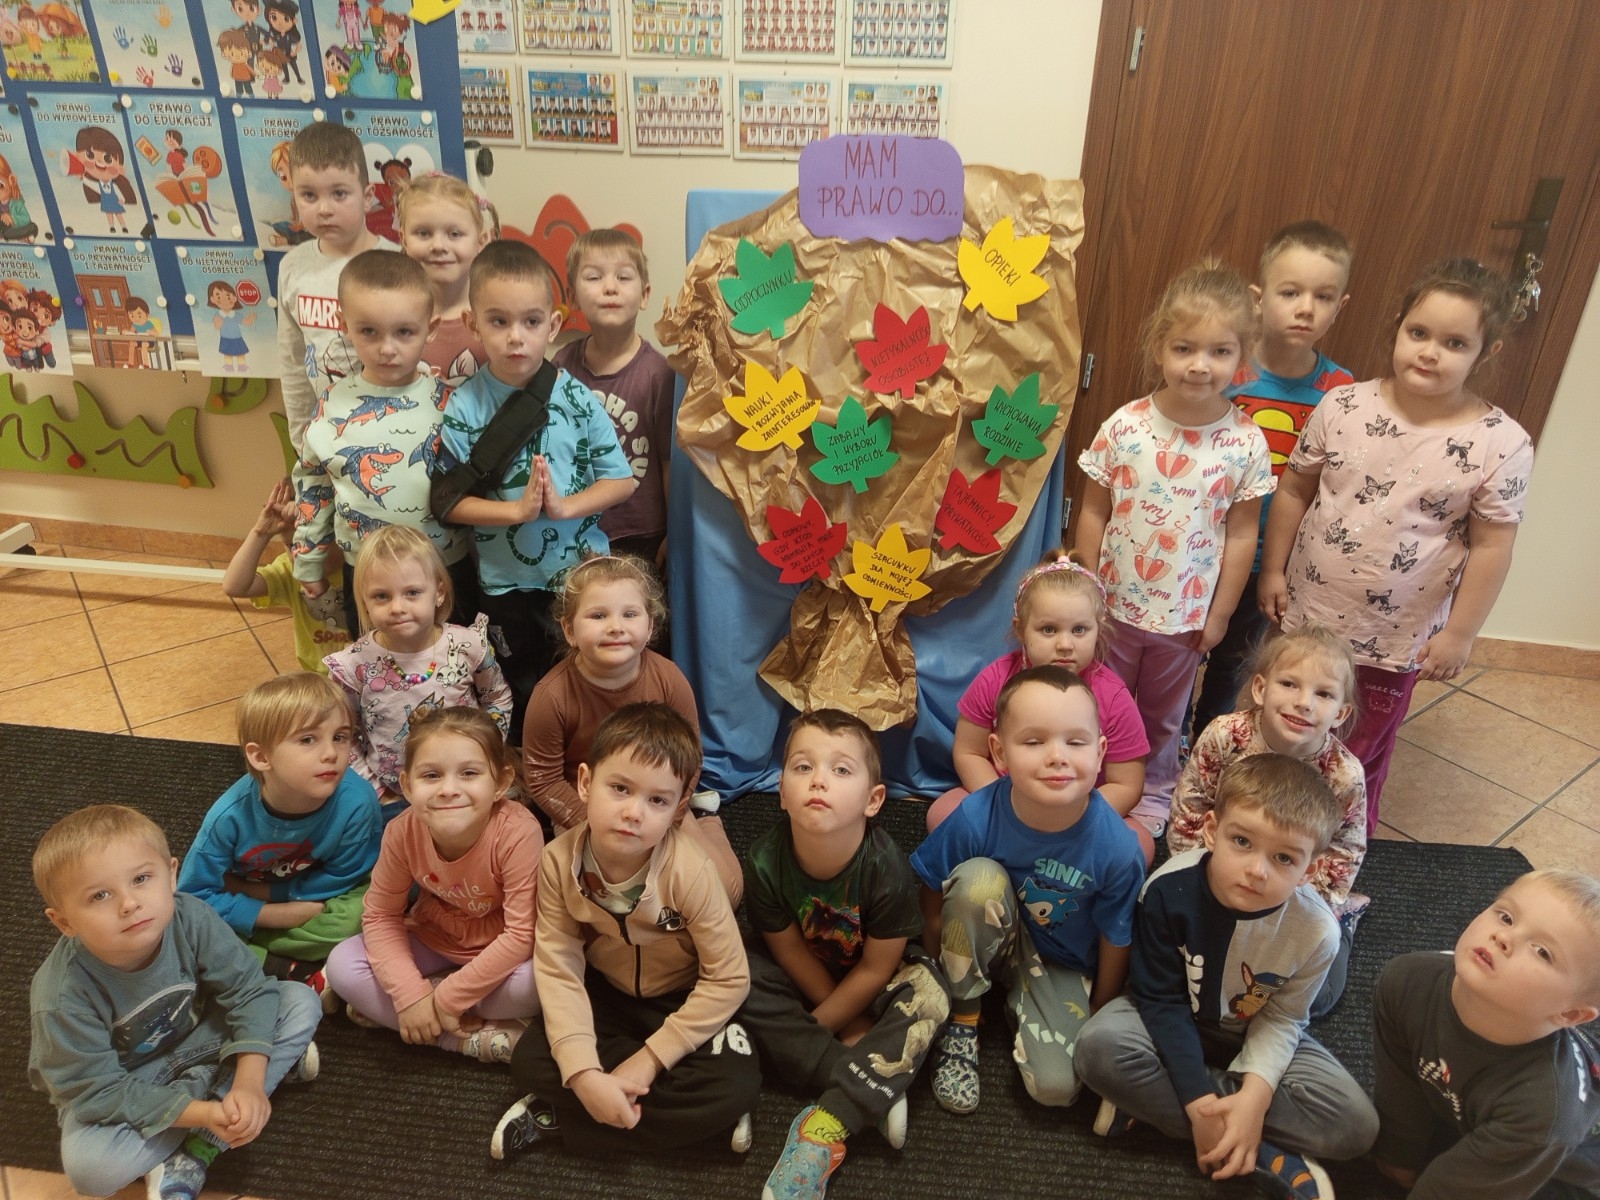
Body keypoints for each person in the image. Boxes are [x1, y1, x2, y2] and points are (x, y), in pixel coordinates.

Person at [1258, 258, 1534, 832]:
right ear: (1398, 327)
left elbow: (1492, 547)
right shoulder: (1343, 406)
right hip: (1307, 618)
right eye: (1419, 333)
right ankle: (1266, 832)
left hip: (1393, 639)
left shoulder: (1501, 444)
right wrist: (1273, 571)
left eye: (1454, 343)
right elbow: (1295, 488)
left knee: (1353, 758)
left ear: (1487, 353)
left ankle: (1337, 850)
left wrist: (1460, 634)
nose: (1430, 352)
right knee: (1283, 731)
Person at [1075, 755, 1378, 1200]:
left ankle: (1159, 1109)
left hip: (1250, 1031)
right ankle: (1258, 1149)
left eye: (1284, 858)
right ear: (1212, 831)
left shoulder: (1318, 931)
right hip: (1173, 1021)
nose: (1258, 870)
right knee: (1097, 1048)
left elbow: (1283, 1019)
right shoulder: (1167, 890)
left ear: (1310, 871)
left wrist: (1255, 1098)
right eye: (1242, 841)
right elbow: (1160, 1001)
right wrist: (1199, 1102)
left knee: (1356, 1126)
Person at [492, 704, 759, 1160]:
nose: (634, 812)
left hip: (682, 996)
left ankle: (567, 1121)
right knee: (531, 1060)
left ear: (678, 809)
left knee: (735, 1085)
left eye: (658, 801)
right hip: (607, 994)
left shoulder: (693, 871)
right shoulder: (557, 861)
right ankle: (680, 1126)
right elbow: (559, 967)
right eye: (620, 788)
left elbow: (729, 979)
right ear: (585, 782)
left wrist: (649, 1060)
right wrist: (583, 1074)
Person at [29, 805, 321, 1200]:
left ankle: (199, 1146)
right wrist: (207, 1111)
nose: (129, 903)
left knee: (299, 1000)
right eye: (99, 895)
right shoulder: (61, 996)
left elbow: (249, 992)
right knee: (90, 1171)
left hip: (201, 1038)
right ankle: (231, 1088)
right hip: (132, 1079)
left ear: (171, 875)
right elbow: (97, 1092)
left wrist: (250, 1083)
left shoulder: (192, 917)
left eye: (141, 879)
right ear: (64, 922)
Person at [1075, 261, 1274, 837]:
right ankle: (1096, 782)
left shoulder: (1244, 442)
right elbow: (1093, 511)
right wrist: (1087, 595)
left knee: (1163, 716)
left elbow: (1242, 534)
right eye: (1184, 347)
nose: (1199, 364)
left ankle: (1155, 792)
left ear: (1242, 358)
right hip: (1112, 612)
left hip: (1183, 619)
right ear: (1159, 347)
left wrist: (1219, 616)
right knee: (1101, 704)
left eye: (1219, 351)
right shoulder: (1125, 426)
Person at [911, 666, 1145, 1115]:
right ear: (999, 752)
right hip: (987, 928)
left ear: (1100, 753)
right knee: (977, 879)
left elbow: (1117, 937)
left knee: (1057, 1088)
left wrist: (1099, 1010)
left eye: (1075, 742)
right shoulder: (977, 815)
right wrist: (943, 972)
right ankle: (965, 1015)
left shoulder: (1118, 847)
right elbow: (932, 890)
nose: (1057, 757)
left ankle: (1015, 999)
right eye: (1034, 742)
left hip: (1059, 962)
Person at [741, 710, 950, 1200]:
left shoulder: (886, 865)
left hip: (872, 980)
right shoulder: (763, 860)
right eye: (803, 767)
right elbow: (788, 951)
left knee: (932, 995)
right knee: (732, 971)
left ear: (873, 800)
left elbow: (877, 968)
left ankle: (827, 1123)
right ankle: (869, 1083)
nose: (819, 780)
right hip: (803, 977)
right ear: (781, 791)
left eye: (840, 770)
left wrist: (818, 1026)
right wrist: (846, 1029)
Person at [435, 240, 636, 737]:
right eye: (498, 321)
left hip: (576, 578)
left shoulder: (578, 399)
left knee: (582, 672)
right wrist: (516, 512)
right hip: (502, 581)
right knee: (516, 676)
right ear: (472, 323)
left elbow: (621, 480)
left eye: (530, 321)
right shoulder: (465, 405)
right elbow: (448, 502)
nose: (515, 337)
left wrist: (564, 507)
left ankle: (585, 748)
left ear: (553, 324)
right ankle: (529, 754)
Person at [1188, 222, 1355, 737]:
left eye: (1322, 297)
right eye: (1290, 292)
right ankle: (1166, 735)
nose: (1306, 308)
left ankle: (1211, 739)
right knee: (1182, 649)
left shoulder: (1340, 391)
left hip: (1270, 560)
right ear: (1258, 300)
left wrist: (1278, 569)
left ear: (1341, 306)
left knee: (1235, 661)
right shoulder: (1225, 372)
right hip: (1200, 547)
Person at [1169, 623, 1367, 1017]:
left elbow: (1345, 849)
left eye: (1323, 694)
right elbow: (1190, 810)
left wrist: (1305, 902)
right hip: (1221, 870)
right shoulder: (1224, 737)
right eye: (1289, 684)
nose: (1304, 703)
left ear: (1341, 713)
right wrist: (1202, 883)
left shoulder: (1345, 775)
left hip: (1289, 886)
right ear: (1261, 688)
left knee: (1317, 998)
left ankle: (1345, 921)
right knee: (1177, 964)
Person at [325, 706, 542, 1062]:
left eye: (469, 773)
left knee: (541, 983)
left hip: (502, 952)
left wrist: (446, 998)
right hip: (433, 936)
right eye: (431, 776)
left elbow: (521, 935)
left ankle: (417, 1013)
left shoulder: (519, 832)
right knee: (342, 966)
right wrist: (410, 995)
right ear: (408, 786)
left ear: (501, 783)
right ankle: (459, 1038)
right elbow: (380, 915)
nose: (448, 790)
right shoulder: (402, 831)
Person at [521, 553, 741, 901]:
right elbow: (542, 778)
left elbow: (691, 757)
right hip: (587, 807)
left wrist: (669, 814)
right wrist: (594, 822)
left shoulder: (669, 679)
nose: (615, 626)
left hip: (657, 803)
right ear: (569, 630)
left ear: (650, 626)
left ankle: (706, 818)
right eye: (598, 615)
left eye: (630, 614)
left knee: (723, 893)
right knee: (590, 905)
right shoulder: (552, 696)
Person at [1371, 869, 1600, 1199]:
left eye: (1542, 952)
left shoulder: (1545, 1108)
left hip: (1563, 1172)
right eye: (1506, 917)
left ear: (1570, 1014)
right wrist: (1398, 1156)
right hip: (1484, 1124)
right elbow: (1398, 1087)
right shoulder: (1407, 980)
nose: (1504, 937)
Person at [290, 249, 475, 639]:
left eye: (404, 332)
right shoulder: (332, 405)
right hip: (368, 572)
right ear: (344, 325)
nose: (387, 348)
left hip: (445, 566)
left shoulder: (454, 403)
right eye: (369, 331)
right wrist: (308, 561)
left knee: (454, 660)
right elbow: (314, 486)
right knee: (376, 665)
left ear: (431, 328)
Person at [927, 549, 1154, 864]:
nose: (1065, 644)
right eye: (1049, 629)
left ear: (1098, 629)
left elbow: (1127, 784)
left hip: (1079, 812)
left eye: (1079, 630)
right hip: (1005, 804)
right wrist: (1003, 809)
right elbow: (969, 752)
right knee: (943, 812)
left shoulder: (1114, 697)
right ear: (1020, 629)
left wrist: (1072, 819)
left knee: (1139, 844)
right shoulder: (994, 679)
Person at [176, 672, 380, 995]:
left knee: (363, 911)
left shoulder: (358, 802)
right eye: (308, 739)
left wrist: (258, 894)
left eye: (340, 737)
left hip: (300, 895)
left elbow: (345, 876)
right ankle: (284, 964)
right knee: (183, 927)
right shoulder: (227, 817)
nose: (331, 753)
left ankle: (256, 958)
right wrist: (270, 914)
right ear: (261, 757)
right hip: (258, 900)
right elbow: (192, 894)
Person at [324, 525, 511, 815]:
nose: (397, 607)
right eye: (382, 596)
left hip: (465, 786)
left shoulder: (469, 645)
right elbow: (340, 735)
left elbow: (497, 697)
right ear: (364, 600)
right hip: (393, 796)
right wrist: (375, 792)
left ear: (439, 592)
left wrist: (488, 752)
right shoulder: (352, 667)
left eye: (412, 592)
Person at [553, 229, 677, 568]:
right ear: (573, 297)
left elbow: (669, 463)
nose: (610, 287)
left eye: (623, 277)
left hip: (643, 532)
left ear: (645, 294)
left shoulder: (659, 374)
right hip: (577, 527)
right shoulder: (561, 365)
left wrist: (674, 531)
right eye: (594, 277)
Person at [274, 120, 400, 454]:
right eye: (309, 195)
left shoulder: (399, 263)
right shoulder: (292, 268)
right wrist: (302, 441)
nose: (324, 209)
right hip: (327, 438)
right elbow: (292, 361)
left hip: (392, 434)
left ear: (367, 197)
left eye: (339, 193)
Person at [223, 479, 349, 673]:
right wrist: (261, 533)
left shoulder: (364, 564)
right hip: (319, 674)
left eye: (315, 543)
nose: (302, 556)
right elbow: (234, 586)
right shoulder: (290, 569)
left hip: (371, 672)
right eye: (293, 546)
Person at [397, 171, 492, 386]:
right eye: (423, 233)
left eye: (455, 234)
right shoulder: (392, 315)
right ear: (404, 239)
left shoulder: (499, 316)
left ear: (481, 241)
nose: (439, 246)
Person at [207, 279, 257, 373]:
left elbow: (245, 322)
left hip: (237, 338)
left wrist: (251, 318)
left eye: (228, 296)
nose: (225, 300)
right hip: (225, 338)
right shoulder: (218, 315)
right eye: (219, 297)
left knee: (241, 353)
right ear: (212, 299)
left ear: (234, 298)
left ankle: (242, 366)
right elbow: (216, 327)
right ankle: (228, 367)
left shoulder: (236, 315)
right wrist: (218, 324)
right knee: (227, 354)